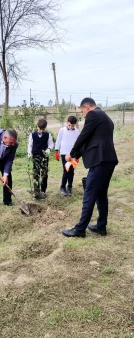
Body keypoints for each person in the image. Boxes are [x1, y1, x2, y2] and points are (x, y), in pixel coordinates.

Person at [62, 98, 118, 238]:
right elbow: (92, 140)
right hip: (108, 160)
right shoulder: (105, 118)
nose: (84, 115)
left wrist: (72, 153)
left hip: (100, 161)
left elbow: (84, 135)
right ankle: (101, 227)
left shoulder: (93, 114)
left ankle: (80, 229)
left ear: (87, 107)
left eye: (82, 112)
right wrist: (78, 155)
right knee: (101, 194)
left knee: (89, 194)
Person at [27, 118, 54, 199]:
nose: (41, 131)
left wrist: (49, 149)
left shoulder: (48, 135)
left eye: (43, 129)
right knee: (36, 174)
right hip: (35, 157)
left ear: (45, 128)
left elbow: (51, 144)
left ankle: (43, 191)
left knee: (44, 174)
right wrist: (29, 152)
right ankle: (36, 191)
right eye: (40, 129)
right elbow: (30, 145)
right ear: (37, 126)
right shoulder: (32, 135)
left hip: (44, 157)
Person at [55, 115, 80, 196]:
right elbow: (58, 141)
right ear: (67, 122)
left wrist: (77, 156)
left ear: (75, 125)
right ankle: (62, 187)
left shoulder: (77, 131)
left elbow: (78, 144)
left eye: (72, 126)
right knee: (66, 170)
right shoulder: (62, 130)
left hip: (73, 154)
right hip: (64, 153)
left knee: (72, 171)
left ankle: (69, 187)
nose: (70, 127)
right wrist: (56, 151)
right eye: (69, 125)